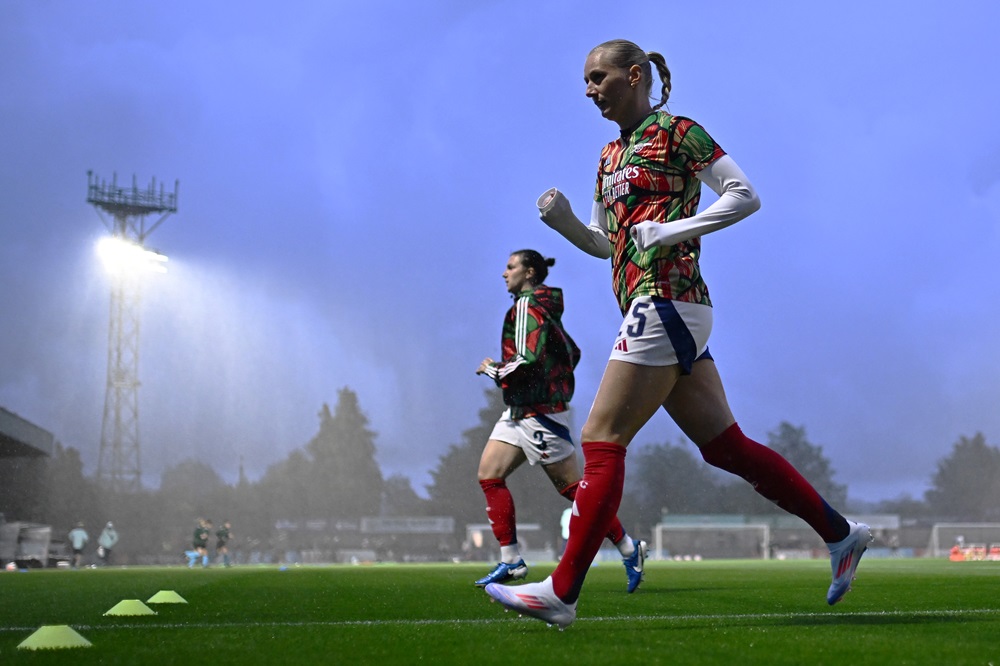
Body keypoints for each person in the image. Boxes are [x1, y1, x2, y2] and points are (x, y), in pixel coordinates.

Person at [484, 39, 872, 628]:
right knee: (725, 447)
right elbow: (606, 242)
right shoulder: (609, 157)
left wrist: (669, 233)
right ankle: (843, 534)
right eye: (586, 81)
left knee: (601, 437)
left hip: (667, 300)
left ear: (634, 75)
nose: (589, 90)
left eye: (598, 77)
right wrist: (563, 223)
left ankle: (562, 592)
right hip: (663, 309)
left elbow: (745, 196)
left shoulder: (680, 133)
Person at [474, 249, 646, 592]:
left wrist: (492, 368)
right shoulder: (541, 307)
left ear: (530, 273)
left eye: (510, 267)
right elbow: (572, 352)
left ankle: (629, 548)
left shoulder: (525, 305)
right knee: (489, 476)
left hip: (539, 414)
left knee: (574, 490)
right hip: (521, 410)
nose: (504, 273)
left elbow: (527, 357)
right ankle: (511, 560)